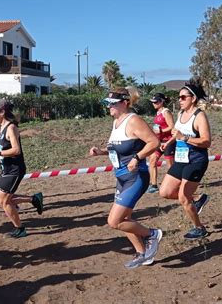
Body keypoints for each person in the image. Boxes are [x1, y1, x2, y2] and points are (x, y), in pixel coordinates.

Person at [89, 87, 163, 269]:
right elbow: (118, 149)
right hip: (121, 178)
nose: (109, 107)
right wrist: (101, 152)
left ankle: (152, 234)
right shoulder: (116, 123)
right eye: (107, 104)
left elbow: (154, 142)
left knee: (114, 221)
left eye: (112, 104)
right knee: (126, 219)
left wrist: (138, 158)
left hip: (136, 177)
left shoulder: (133, 120)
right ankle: (142, 253)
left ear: (124, 103)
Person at [159, 79, 211, 240]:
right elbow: (177, 133)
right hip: (181, 159)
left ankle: (199, 228)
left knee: (183, 197)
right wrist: (167, 143)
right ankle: (197, 199)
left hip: (196, 161)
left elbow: (206, 141)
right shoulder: (181, 114)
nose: (179, 100)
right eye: (179, 97)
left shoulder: (199, 116)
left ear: (193, 98)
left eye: (183, 97)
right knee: (165, 192)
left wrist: (186, 138)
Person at [0, 98, 43, 238]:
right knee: (3, 200)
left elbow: (16, 150)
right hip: (7, 168)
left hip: (15, 169)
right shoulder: (1, 129)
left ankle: (20, 228)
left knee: (3, 200)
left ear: (2, 112)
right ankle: (34, 199)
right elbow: (6, 148)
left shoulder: (11, 128)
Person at [146, 93, 175, 193]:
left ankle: (174, 184)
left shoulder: (166, 112)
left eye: (156, 102)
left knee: (170, 165)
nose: (154, 104)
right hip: (159, 142)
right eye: (153, 102)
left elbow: (172, 126)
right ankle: (154, 185)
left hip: (169, 141)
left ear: (162, 101)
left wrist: (161, 131)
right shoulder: (158, 112)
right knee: (152, 160)